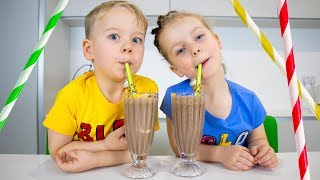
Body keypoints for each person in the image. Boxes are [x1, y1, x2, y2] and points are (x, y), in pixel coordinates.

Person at [151, 11, 278, 171]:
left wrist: (263, 151)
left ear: (217, 41)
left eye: (198, 37)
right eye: (180, 50)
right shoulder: (176, 97)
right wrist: (220, 153)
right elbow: (179, 148)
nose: (194, 49)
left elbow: (258, 140)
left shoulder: (249, 99)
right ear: (176, 69)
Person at [43, 1, 159, 173]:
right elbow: (58, 152)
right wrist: (104, 145)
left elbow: (142, 149)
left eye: (136, 39)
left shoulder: (147, 90)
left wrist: (96, 158)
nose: (128, 47)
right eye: (114, 36)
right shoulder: (71, 95)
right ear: (89, 50)